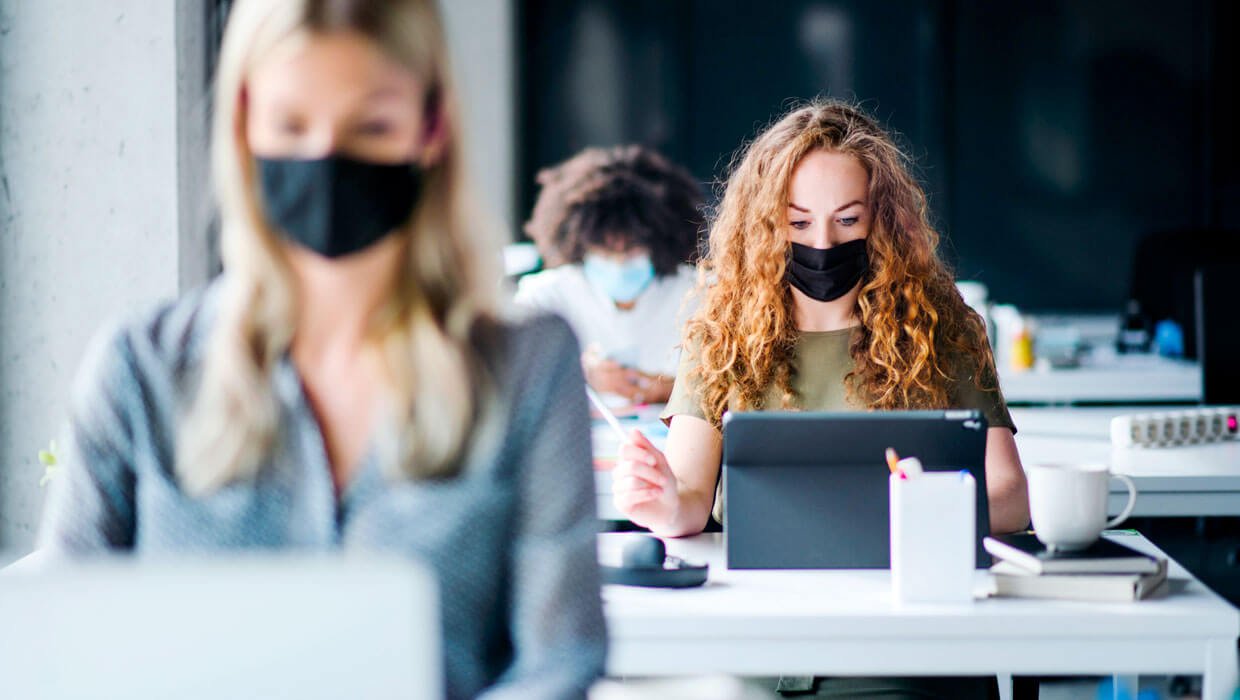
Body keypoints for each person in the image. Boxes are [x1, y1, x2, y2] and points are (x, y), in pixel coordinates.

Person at [36, 2, 605, 698]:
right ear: (244, 123)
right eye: (291, 125)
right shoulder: (141, 370)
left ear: (432, 128)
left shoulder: (528, 370)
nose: (327, 159)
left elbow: (557, 664)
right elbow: (61, 653)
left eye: (372, 127)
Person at [611, 101, 1029, 698]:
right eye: (798, 222)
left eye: (847, 220)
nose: (823, 242)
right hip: (754, 642)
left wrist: (925, 509)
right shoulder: (722, 334)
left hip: (903, 649)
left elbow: (1010, 499)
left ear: (882, 222)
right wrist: (659, 500)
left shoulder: (942, 329)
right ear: (765, 224)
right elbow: (689, 501)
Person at [516, 146, 704, 405]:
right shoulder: (545, 296)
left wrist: (673, 390)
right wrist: (578, 375)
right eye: (604, 251)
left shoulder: (699, 293)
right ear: (579, 243)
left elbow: (732, 386)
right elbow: (512, 379)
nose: (619, 263)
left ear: (660, 243)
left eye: (632, 249)